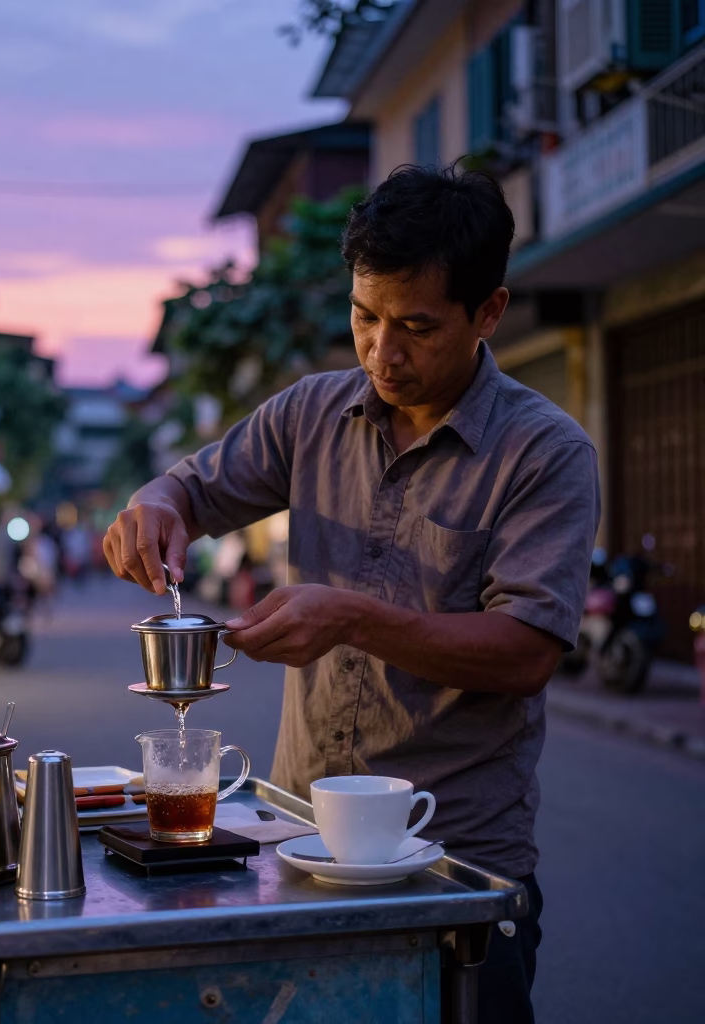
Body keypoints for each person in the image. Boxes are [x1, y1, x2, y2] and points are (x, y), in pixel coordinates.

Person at [104, 164, 601, 1024]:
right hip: (299, 847)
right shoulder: (310, 413)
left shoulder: (545, 454)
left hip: (455, 867)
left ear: (488, 313)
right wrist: (156, 503)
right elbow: (192, 488)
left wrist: (354, 619)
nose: (382, 352)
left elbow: (524, 653)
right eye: (364, 318)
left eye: (415, 326)